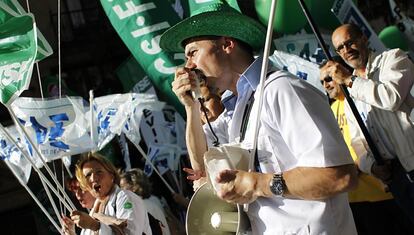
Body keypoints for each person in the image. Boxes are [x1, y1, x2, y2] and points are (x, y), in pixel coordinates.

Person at [160, 1, 358, 234]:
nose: (188, 67)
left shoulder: (281, 89)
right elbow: (200, 167)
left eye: (193, 53)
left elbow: (340, 176)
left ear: (226, 44)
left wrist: (256, 184)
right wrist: (191, 106)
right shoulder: (239, 107)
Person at [320, 23, 414, 222]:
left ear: (363, 38)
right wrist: (371, 166)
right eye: (340, 48)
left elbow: (390, 98)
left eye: (350, 42)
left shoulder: (393, 58)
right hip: (394, 177)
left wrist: (349, 81)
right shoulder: (349, 93)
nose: (347, 50)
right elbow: (357, 142)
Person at [62, 153, 152, 235]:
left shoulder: (126, 198)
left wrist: (95, 226)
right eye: (88, 175)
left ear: (111, 176)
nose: (93, 178)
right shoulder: (94, 213)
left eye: (99, 172)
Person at [120, 169, 171, 235]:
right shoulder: (154, 200)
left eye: (122, 186)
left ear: (135, 186)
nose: (120, 190)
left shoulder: (140, 206)